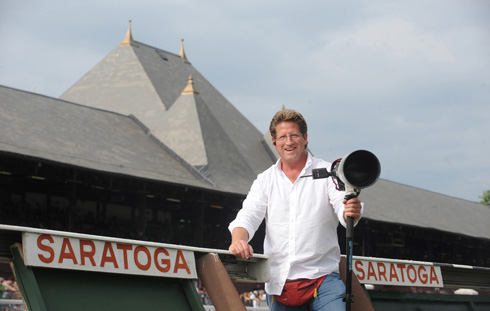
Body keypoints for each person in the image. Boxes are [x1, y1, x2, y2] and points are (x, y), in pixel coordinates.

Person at [228, 109, 363, 311]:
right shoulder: (265, 180)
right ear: (274, 142)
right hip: (279, 281)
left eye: (294, 135)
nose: (288, 142)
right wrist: (238, 240)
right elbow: (248, 215)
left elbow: (343, 208)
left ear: (305, 138)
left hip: (323, 277)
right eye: (282, 137)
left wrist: (351, 210)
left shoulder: (328, 173)